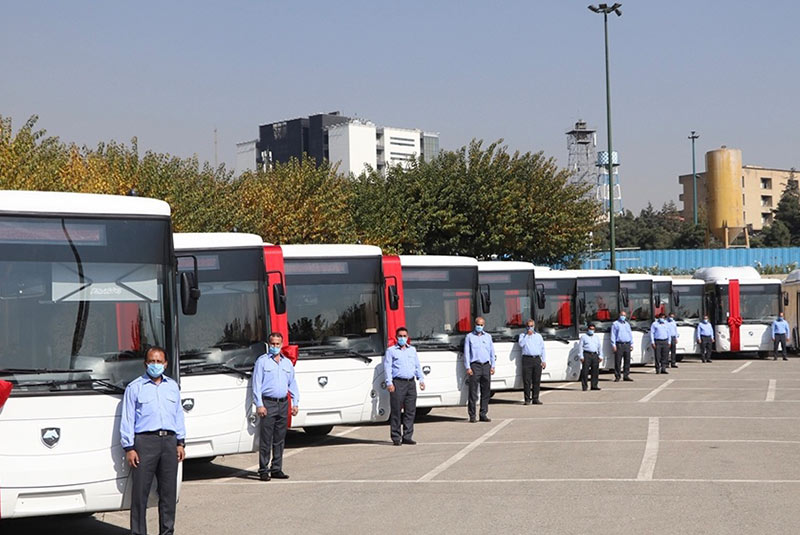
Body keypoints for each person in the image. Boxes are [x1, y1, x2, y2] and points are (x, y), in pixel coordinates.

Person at [120, 347, 186, 535]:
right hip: (144, 443)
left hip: (169, 442)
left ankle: (167, 532)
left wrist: (181, 442)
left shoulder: (172, 386)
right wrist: (129, 447)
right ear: (145, 364)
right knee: (140, 494)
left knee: (168, 493)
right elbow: (127, 419)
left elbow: (178, 415)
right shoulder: (135, 387)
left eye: (159, 362)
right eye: (151, 361)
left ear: (165, 364)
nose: (155, 365)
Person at [252, 332, 299, 481]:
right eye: (272, 344)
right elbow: (256, 384)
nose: (275, 346)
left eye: (277, 344)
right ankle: (263, 469)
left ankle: (277, 468)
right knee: (266, 439)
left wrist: (296, 403)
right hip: (268, 403)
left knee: (280, 438)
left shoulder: (287, 363)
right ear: (268, 344)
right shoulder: (262, 362)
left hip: (283, 403)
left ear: (282, 344)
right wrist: (259, 404)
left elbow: (292, 384)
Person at [383, 326, 426, 445]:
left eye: (404, 336)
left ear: (408, 337)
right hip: (398, 383)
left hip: (410, 383)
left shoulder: (412, 350)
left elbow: (417, 365)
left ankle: (407, 436)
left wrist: (421, 379)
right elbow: (387, 368)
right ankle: (396, 437)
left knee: (410, 411)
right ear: (396, 337)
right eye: (400, 336)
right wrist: (389, 383)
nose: (402, 338)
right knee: (396, 410)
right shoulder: (391, 351)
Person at [464, 317, 495, 422]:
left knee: (486, 391)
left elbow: (491, 352)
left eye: (481, 325)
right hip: (475, 366)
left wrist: (493, 366)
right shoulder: (469, 337)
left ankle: (483, 413)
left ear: (484, 325)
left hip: (486, 365)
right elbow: (467, 353)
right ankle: (472, 415)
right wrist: (468, 367)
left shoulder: (488, 337)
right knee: (473, 392)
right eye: (478, 324)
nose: (479, 326)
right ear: (475, 324)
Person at [518, 319, 546, 405]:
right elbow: (521, 344)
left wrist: (543, 360)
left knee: (536, 380)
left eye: (531, 326)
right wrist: (527, 336)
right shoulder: (522, 335)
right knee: (527, 380)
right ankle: (527, 399)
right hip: (527, 359)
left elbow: (542, 349)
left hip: (537, 359)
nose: (530, 328)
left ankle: (535, 398)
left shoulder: (538, 336)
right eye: (528, 326)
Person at [610, 311, 634, 382]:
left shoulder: (627, 324)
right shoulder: (615, 324)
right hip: (619, 344)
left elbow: (630, 334)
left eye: (624, 315)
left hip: (627, 344)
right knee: (618, 361)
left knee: (627, 361)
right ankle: (617, 376)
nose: (623, 317)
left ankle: (626, 375)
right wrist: (613, 345)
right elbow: (613, 335)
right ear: (619, 315)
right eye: (622, 315)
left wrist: (631, 344)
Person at [579, 323, 602, 391]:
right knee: (585, 371)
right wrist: (581, 356)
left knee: (595, 371)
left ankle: (594, 385)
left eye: (593, 329)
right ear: (588, 329)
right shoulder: (584, 337)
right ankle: (584, 386)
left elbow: (599, 347)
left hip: (595, 355)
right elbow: (580, 347)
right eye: (590, 329)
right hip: (587, 355)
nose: (591, 330)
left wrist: (600, 355)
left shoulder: (596, 337)